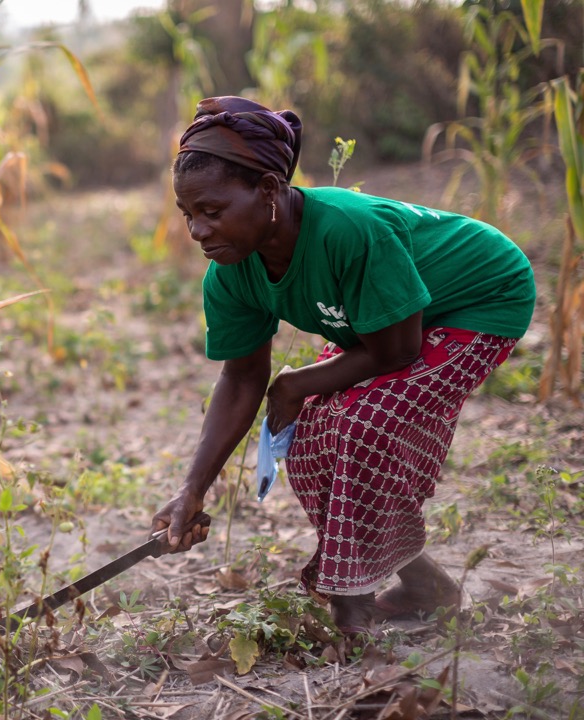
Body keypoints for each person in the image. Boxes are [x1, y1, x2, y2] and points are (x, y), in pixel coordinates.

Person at [150, 97, 536, 637]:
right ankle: (426, 585)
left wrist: (295, 383)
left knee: (364, 425)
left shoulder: (346, 231)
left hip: (477, 298)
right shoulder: (231, 270)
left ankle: (351, 601)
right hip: (384, 321)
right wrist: (194, 488)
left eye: (212, 211)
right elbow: (241, 377)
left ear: (267, 192)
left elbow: (399, 350)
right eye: (188, 214)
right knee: (308, 437)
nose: (197, 231)